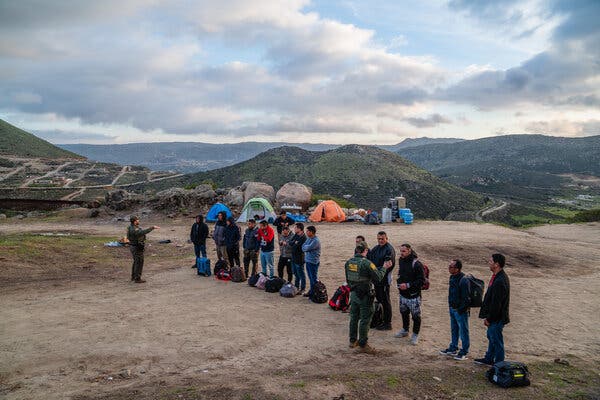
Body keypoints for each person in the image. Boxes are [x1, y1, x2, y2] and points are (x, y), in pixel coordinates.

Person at [345, 241, 391, 354]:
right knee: (365, 320)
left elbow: (348, 280)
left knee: (354, 318)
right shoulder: (367, 263)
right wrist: (384, 267)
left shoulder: (349, 262)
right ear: (365, 250)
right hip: (365, 295)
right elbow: (378, 277)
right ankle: (363, 344)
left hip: (354, 294)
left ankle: (352, 341)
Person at [475, 253, 510, 366]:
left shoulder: (500, 281)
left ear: (496, 264)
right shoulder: (498, 277)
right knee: (492, 338)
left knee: (496, 340)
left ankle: (499, 365)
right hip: (496, 316)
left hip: (497, 317)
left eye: (490, 261)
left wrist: (489, 318)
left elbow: (497, 304)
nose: (489, 263)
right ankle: (489, 358)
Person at [439, 259, 471, 360]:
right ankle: (453, 347)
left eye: (451, 267)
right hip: (453, 308)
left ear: (457, 269)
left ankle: (464, 351)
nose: (449, 268)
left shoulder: (464, 280)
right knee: (454, 329)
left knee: (463, 331)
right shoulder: (452, 277)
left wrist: (460, 309)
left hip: (460, 310)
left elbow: (466, 298)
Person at [394, 243, 425, 345]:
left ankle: (415, 335)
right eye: (401, 251)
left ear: (409, 251)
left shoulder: (417, 264)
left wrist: (407, 285)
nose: (401, 253)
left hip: (414, 296)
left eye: (404, 251)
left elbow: (421, 281)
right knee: (404, 312)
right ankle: (405, 330)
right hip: (403, 294)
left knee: (416, 316)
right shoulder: (401, 260)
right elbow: (401, 273)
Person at [367, 231, 396, 331]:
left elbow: (388, 265)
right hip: (376, 279)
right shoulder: (376, 248)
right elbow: (369, 259)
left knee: (385, 300)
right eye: (379, 239)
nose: (380, 241)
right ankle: (380, 318)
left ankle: (388, 323)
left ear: (387, 238)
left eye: (382, 239)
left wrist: (376, 271)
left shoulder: (389, 250)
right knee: (379, 298)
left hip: (384, 279)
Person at [126, 215, 159, 283]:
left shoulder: (131, 227)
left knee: (136, 262)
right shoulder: (133, 229)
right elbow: (142, 232)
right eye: (137, 220)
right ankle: (137, 278)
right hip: (136, 247)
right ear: (135, 221)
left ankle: (134, 277)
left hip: (134, 246)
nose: (138, 221)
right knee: (139, 262)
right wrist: (152, 228)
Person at [302, 225, 321, 298]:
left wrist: (306, 247)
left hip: (313, 261)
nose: (306, 232)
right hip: (308, 260)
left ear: (311, 232)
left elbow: (306, 248)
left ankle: (314, 293)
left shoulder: (315, 241)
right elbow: (303, 247)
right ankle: (312, 291)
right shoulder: (309, 239)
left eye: (307, 231)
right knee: (310, 277)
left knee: (313, 278)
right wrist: (306, 247)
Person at [289, 222, 307, 294]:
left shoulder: (303, 237)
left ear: (299, 229)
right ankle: (296, 287)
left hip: (299, 258)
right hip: (293, 257)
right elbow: (290, 243)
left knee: (301, 274)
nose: (294, 229)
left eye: (295, 228)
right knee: (295, 273)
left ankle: (302, 288)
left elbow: (298, 247)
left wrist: (295, 243)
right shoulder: (296, 235)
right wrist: (295, 243)